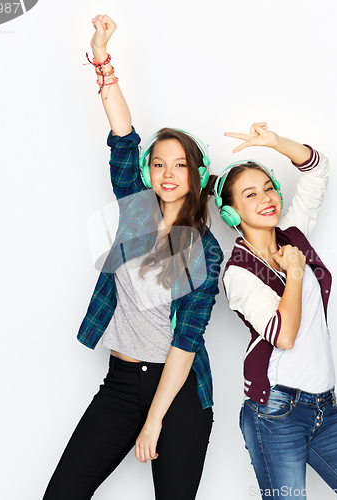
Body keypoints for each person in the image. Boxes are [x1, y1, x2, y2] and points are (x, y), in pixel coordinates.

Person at [43, 15, 223, 500]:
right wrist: (102, 58)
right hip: (121, 382)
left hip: (179, 394)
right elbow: (123, 135)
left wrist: (155, 422)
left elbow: (185, 344)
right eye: (158, 163)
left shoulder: (204, 249)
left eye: (180, 165)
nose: (167, 173)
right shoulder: (136, 212)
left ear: (197, 174)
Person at [215, 123, 337, 499]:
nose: (266, 197)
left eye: (269, 187)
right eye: (250, 194)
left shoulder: (292, 234)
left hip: (326, 410)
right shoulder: (238, 272)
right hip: (277, 413)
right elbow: (283, 334)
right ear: (231, 213)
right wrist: (295, 272)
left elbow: (318, 172)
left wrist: (277, 143)